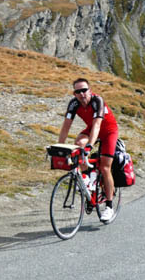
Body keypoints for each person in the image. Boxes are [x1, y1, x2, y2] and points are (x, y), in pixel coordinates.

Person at [58, 77, 118, 221]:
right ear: (74, 94)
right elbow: (66, 126)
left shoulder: (98, 101)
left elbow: (98, 125)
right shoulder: (73, 104)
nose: (81, 94)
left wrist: (90, 145)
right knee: (79, 144)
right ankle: (89, 182)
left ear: (90, 91)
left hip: (108, 131)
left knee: (104, 167)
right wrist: (60, 146)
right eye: (78, 91)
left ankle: (109, 207)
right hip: (91, 129)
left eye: (84, 90)